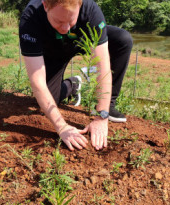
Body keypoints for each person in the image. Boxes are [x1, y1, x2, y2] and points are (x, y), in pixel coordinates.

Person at [19, 0, 133, 151]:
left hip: (81, 40)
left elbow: (102, 67)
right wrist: (61, 127)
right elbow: (37, 81)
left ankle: (108, 106)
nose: (66, 29)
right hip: (53, 51)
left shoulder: (91, 10)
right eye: (59, 21)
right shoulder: (30, 19)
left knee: (122, 39)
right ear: (46, 5)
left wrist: (101, 117)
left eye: (71, 20)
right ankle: (73, 85)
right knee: (47, 100)